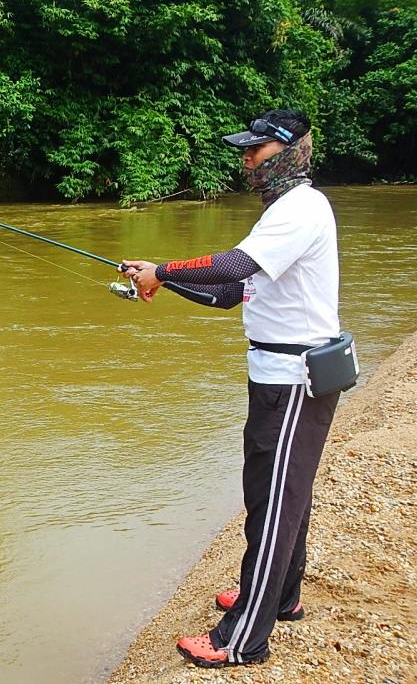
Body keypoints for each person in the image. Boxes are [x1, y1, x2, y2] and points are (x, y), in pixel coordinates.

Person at [121, 109, 342, 668]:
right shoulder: (282, 213)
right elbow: (231, 291)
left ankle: (241, 639)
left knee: (274, 507)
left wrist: (165, 270)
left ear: (288, 153)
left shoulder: (301, 208)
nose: (245, 160)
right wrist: (163, 281)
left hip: (295, 381)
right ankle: (280, 597)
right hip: (274, 378)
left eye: (255, 151)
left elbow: (233, 264)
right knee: (278, 495)